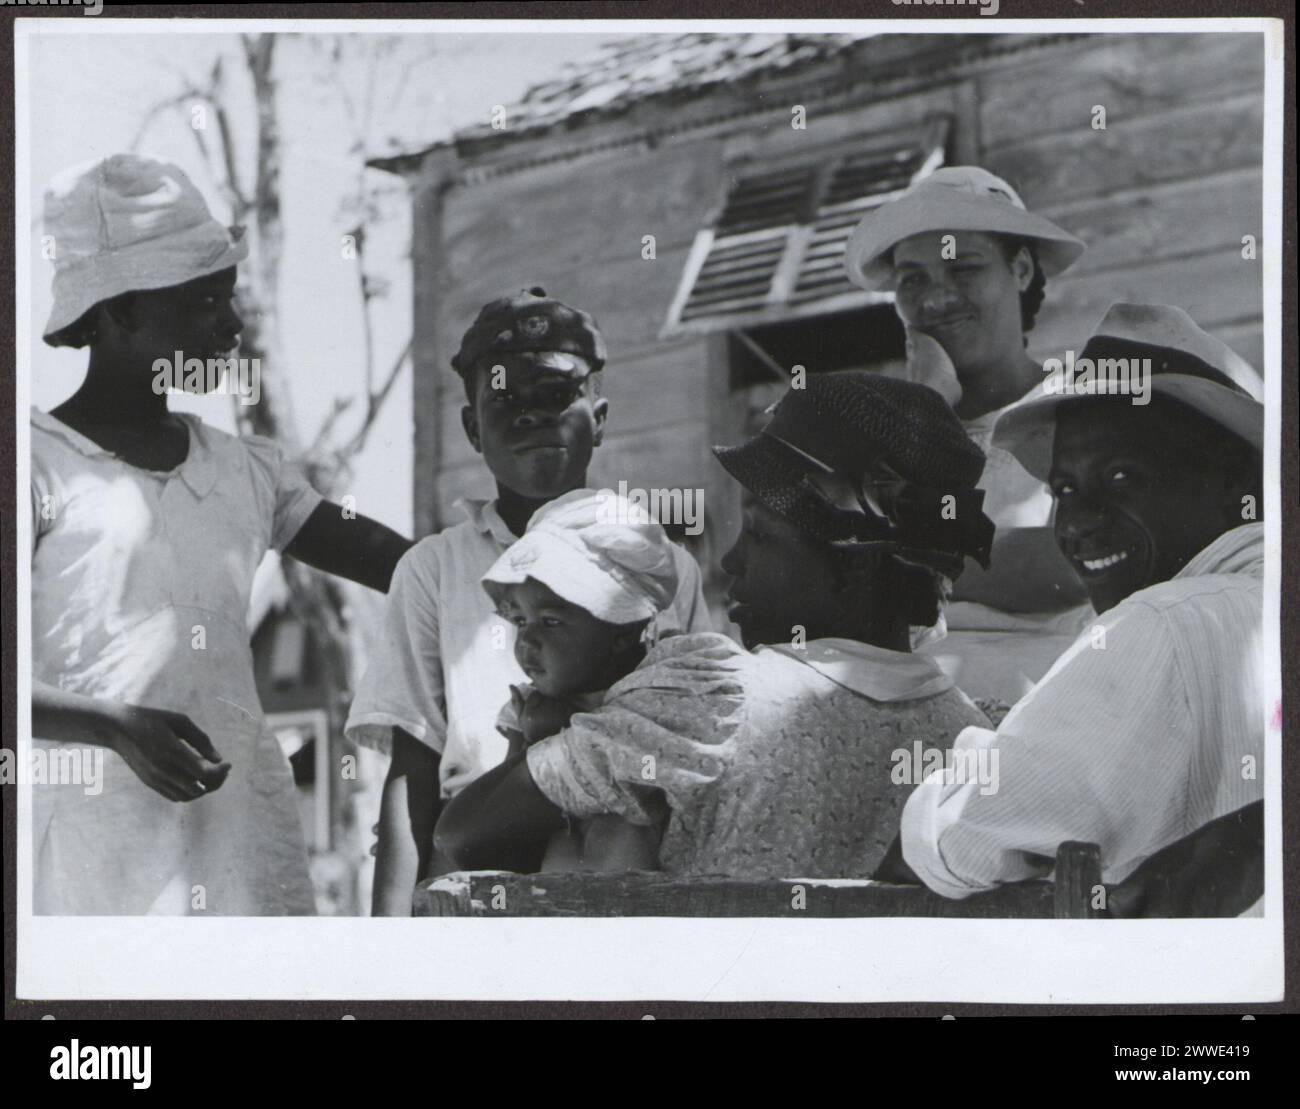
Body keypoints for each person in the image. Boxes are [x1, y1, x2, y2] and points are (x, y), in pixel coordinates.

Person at [31, 154, 412, 915]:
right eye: (206, 301)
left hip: (236, 840)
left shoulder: (244, 470)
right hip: (90, 857)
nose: (232, 327)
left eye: (229, 299)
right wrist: (113, 726)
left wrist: (518, 556)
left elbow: (388, 557)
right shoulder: (38, 463)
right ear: (121, 310)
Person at [436, 372, 994, 880]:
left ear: (854, 560)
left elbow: (463, 832)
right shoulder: (969, 738)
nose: (731, 563)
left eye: (759, 533)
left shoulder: (715, 698)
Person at [346, 288, 711, 914]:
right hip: (475, 856)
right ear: (471, 428)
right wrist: (389, 945)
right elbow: (412, 769)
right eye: (505, 400)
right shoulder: (434, 569)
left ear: (598, 417)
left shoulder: (663, 564)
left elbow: (695, 744)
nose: (533, 417)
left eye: (555, 396)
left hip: (624, 869)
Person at [895, 304, 1265, 909]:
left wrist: (949, 788)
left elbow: (963, 840)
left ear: (1236, 484)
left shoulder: (1160, 626)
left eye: (1121, 477)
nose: (1081, 522)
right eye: (1064, 490)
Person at [845, 166, 1091, 709]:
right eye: (913, 278)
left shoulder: (1080, 410)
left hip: (1045, 716)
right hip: (891, 719)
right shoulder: (881, 435)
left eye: (964, 268)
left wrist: (898, 564)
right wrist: (926, 413)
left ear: (1021, 269)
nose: (936, 299)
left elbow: (1073, 560)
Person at [475, 488, 683, 872]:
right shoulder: (528, 707)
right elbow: (502, 839)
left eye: (551, 621)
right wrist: (532, 742)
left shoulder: (658, 701)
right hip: (550, 900)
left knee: (619, 826)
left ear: (624, 627)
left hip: (641, 901)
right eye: (520, 620)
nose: (527, 640)